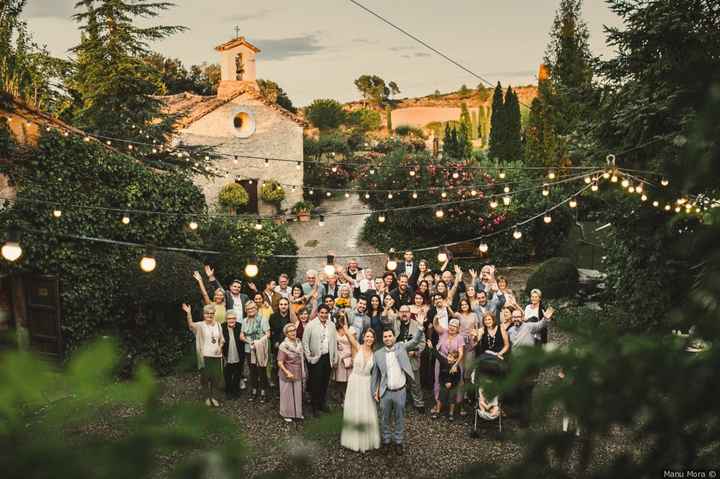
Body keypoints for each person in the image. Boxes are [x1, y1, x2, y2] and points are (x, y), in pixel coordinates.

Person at [371, 326, 423, 455]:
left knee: (399, 418)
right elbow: (375, 376)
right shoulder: (377, 354)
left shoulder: (401, 347)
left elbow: (415, 341)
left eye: (390, 336)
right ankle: (387, 441)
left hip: (400, 391)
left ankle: (399, 442)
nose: (388, 339)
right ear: (382, 339)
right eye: (385, 337)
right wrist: (374, 391)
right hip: (385, 392)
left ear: (394, 337)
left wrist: (421, 327)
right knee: (385, 419)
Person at [340, 323, 380, 452]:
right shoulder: (357, 347)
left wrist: (377, 389)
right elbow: (348, 333)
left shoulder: (376, 354)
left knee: (366, 409)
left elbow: (377, 373)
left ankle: (365, 438)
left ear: (374, 339)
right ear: (363, 337)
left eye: (371, 337)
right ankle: (353, 438)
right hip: (355, 381)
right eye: (367, 336)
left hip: (367, 382)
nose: (369, 339)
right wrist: (344, 323)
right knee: (354, 407)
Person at [182, 303, 224, 407]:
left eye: (212, 313)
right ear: (204, 314)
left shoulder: (218, 325)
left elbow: (222, 339)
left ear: (214, 314)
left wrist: (220, 347)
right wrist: (188, 313)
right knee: (205, 378)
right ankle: (206, 397)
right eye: (207, 313)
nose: (210, 315)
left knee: (216, 378)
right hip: (204, 355)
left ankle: (214, 397)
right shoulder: (200, 325)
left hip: (217, 356)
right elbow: (191, 325)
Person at [302, 304, 338, 415]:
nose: (324, 315)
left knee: (324, 381)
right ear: (317, 313)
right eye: (321, 312)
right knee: (315, 382)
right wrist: (308, 357)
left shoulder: (331, 325)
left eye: (326, 313)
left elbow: (334, 342)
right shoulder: (311, 325)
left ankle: (322, 403)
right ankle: (315, 406)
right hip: (316, 358)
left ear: (328, 314)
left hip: (327, 357)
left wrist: (334, 357)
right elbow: (305, 342)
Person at [392, 305, 426, 411]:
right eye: (401, 312)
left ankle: (419, 403)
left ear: (410, 313)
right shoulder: (395, 324)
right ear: (399, 314)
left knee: (415, 382)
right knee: (399, 382)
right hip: (397, 358)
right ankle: (400, 402)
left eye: (406, 311)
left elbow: (422, 342)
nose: (404, 314)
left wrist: (415, 352)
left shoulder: (417, 325)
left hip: (412, 358)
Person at [431, 318, 464, 420]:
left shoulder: (459, 337)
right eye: (450, 325)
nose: (452, 328)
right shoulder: (444, 332)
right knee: (438, 381)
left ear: (458, 328)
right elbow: (436, 325)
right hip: (441, 360)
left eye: (454, 326)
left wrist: (455, 364)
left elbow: (461, 352)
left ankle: (455, 406)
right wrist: (437, 316)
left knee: (456, 383)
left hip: (454, 361)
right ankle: (438, 404)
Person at [240, 300, 270, 402]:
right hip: (249, 349)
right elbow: (241, 335)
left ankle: (263, 391)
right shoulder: (244, 321)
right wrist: (249, 342)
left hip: (260, 347)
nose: (251, 310)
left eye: (253, 308)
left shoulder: (263, 319)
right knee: (252, 370)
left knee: (261, 370)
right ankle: (254, 390)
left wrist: (258, 342)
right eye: (248, 309)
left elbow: (268, 334)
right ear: (246, 310)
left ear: (256, 309)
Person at [453, 297, 480, 413]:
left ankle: (469, 395)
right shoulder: (457, 315)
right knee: (461, 371)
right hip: (460, 344)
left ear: (468, 305)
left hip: (471, 344)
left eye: (465, 304)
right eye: (462, 304)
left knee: (468, 372)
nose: (464, 306)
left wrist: (477, 339)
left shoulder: (474, 315)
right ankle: (460, 397)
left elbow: (477, 329)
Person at [277, 322, 305, 422]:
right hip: (287, 373)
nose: (293, 332)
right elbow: (280, 362)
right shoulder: (283, 345)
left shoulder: (298, 342)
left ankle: (297, 413)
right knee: (286, 394)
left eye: (294, 330)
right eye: (291, 331)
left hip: (297, 371)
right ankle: (286, 414)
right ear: (286, 333)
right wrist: (287, 372)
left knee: (297, 393)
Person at [332, 311, 355, 405]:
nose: (341, 319)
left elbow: (354, 345)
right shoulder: (334, 329)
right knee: (339, 380)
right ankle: (340, 397)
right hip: (338, 357)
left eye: (343, 317)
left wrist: (353, 358)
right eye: (339, 317)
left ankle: (348, 398)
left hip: (348, 357)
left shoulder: (351, 329)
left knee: (348, 380)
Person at [269, 297, 292, 388]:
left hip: (289, 345)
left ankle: (289, 383)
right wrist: (275, 342)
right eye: (281, 304)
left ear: (288, 305)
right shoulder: (273, 317)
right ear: (278, 306)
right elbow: (271, 331)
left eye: (285, 304)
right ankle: (279, 386)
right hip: (277, 345)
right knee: (278, 365)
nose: (283, 306)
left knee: (289, 364)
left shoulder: (291, 316)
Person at [221, 310, 243, 400]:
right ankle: (228, 390)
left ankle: (236, 390)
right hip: (227, 353)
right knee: (227, 373)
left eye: (233, 318)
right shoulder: (222, 327)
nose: (231, 320)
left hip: (238, 353)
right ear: (226, 319)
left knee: (238, 373)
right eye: (229, 318)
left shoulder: (239, 326)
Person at [434, 350, 461, 420]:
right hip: (444, 384)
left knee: (452, 397)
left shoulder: (457, 368)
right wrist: (445, 383)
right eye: (448, 357)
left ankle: (451, 413)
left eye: (451, 357)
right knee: (441, 396)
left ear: (455, 360)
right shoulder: (444, 364)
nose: (448, 358)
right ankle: (437, 411)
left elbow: (457, 379)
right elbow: (441, 376)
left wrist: (451, 384)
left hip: (453, 386)